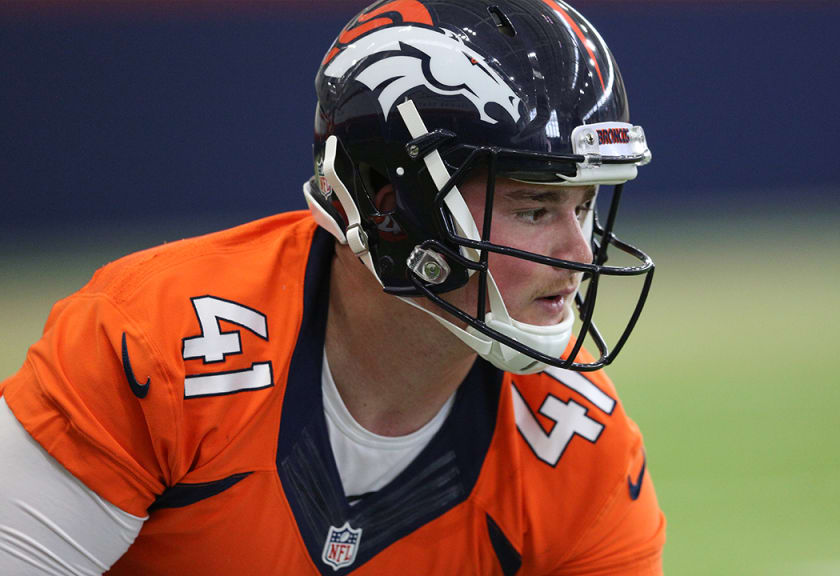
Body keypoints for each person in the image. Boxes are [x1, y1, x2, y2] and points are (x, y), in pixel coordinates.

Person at [0, 0, 665, 573]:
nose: (579, 254)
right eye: (533, 208)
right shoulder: (153, 342)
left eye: (584, 207)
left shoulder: (579, 445)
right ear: (388, 202)